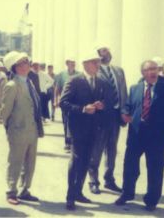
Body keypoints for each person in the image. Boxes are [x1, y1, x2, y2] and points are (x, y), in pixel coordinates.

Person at [115, 60, 164, 212]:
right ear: (143, 73)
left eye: (155, 69)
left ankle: (151, 200)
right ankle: (127, 193)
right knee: (130, 165)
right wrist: (125, 113)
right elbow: (128, 106)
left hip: (157, 137)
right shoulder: (135, 88)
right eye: (149, 69)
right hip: (136, 134)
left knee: (155, 169)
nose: (152, 72)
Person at [60, 51, 112, 211]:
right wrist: (83, 109)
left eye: (98, 62)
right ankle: (70, 196)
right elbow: (63, 103)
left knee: (86, 161)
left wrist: (100, 106)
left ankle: (78, 192)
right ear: (85, 64)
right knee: (76, 161)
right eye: (95, 62)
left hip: (94, 129)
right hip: (77, 129)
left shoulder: (101, 82)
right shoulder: (74, 80)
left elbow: (105, 103)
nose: (98, 65)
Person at [0, 51, 44, 205]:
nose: (27, 65)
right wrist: (10, 129)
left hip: (32, 130)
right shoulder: (12, 85)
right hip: (18, 130)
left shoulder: (29, 82)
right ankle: (11, 191)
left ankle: (24, 190)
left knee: (30, 163)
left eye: (27, 62)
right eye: (22, 63)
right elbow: (4, 112)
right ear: (15, 67)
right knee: (16, 161)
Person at [88, 46, 128, 193]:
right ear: (98, 54)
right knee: (96, 150)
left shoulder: (119, 71)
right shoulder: (94, 71)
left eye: (108, 50)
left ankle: (109, 179)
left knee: (112, 150)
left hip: (116, 117)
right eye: (104, 50)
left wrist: (125, 111)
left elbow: (123, 91)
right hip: (100, 117)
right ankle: (93, 180)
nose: (108, 52)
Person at [55, 58, 80, 152]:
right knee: (66, 122)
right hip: (65, 102)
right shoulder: (61, 75)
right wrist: (56, 100)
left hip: (75, 102)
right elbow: (57, 88)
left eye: (74, 63)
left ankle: (73, 142)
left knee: (75, 122)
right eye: (71, 63)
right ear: (67, 64)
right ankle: (67, 143)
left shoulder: (79, 74)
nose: (73, 64)